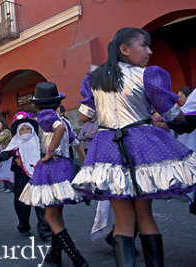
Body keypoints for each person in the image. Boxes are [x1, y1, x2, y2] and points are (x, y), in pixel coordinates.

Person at [72, 27, 196, 266]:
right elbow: (171, 113)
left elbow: (84, 116)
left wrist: (106, 105)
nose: (149, 51)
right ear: (124, 49)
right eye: (144, 45)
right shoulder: (147, 75)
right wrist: (185, 121)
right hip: (142, 145)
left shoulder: (93, 80)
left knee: (123, 219)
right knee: (145, 215)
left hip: (107, 147)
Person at [18, 82, 88, 267]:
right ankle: (54, 256)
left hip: (51, 167)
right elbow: (76, 143)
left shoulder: (46, 115)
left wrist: (49, 151)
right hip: (65, 167)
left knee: (50, 217)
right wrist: (86, 166)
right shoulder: (63, 118)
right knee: (57, 215)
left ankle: (77, 258)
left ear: (38, 104)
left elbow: (59, 130)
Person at [0, 111, 52, 241]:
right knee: (21, 202)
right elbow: (6, 153)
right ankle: (23, 225)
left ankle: (45, 230)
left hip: (38, 175)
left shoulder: (39, 143)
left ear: (32, 130)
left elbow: (46, 154)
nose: (25, 132)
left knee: (40, 202)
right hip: (21, 176)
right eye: (22, 130)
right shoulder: (15, 143)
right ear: (18, 132)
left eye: (27, 129)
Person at [0, 118, 13, 192]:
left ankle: (9, 187)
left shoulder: (6, 131)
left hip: (6, 153)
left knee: (7, 169)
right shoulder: (1, 132)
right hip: (0, 153)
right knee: (2, 169)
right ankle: (5, 186)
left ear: (2, 124)